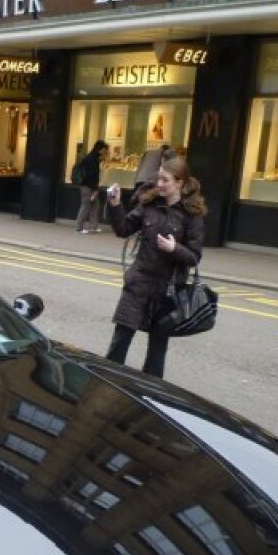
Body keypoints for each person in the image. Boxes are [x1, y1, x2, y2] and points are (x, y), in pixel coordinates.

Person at [103, 155, 206, 379]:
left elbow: (194, 257)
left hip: (167, 290)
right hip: (139, 282)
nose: (158, 184)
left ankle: (150, 393)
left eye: (165, 180)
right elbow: (123, 229)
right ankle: (108, 383)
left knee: (157, 350)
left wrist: (174, 249)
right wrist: (115, 204)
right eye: (158, 178)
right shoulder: (149, 204)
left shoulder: (192, 215)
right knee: (120, 340)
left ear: (179, 183)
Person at [74, 140, 108, 234]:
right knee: (86, 205)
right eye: (104, 150)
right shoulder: (92, 158)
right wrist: (95, 188)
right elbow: (92, 175)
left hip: (89, 185)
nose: (105, 152)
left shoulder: (93, 157)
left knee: (94, 205)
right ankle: (79, 227)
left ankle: (93, 226)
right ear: (100, 149)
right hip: (88, 186)